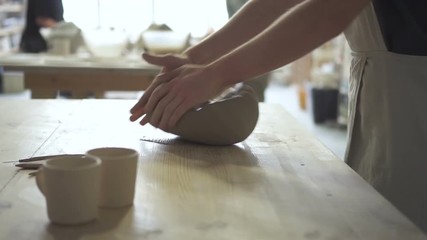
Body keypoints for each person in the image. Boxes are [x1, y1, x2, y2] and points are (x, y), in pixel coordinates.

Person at [130, 0, 427, 232]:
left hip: (414, 96)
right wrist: (195, 58)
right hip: (386, 89)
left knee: (405, 218)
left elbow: (328, 12)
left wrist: (216, 75)